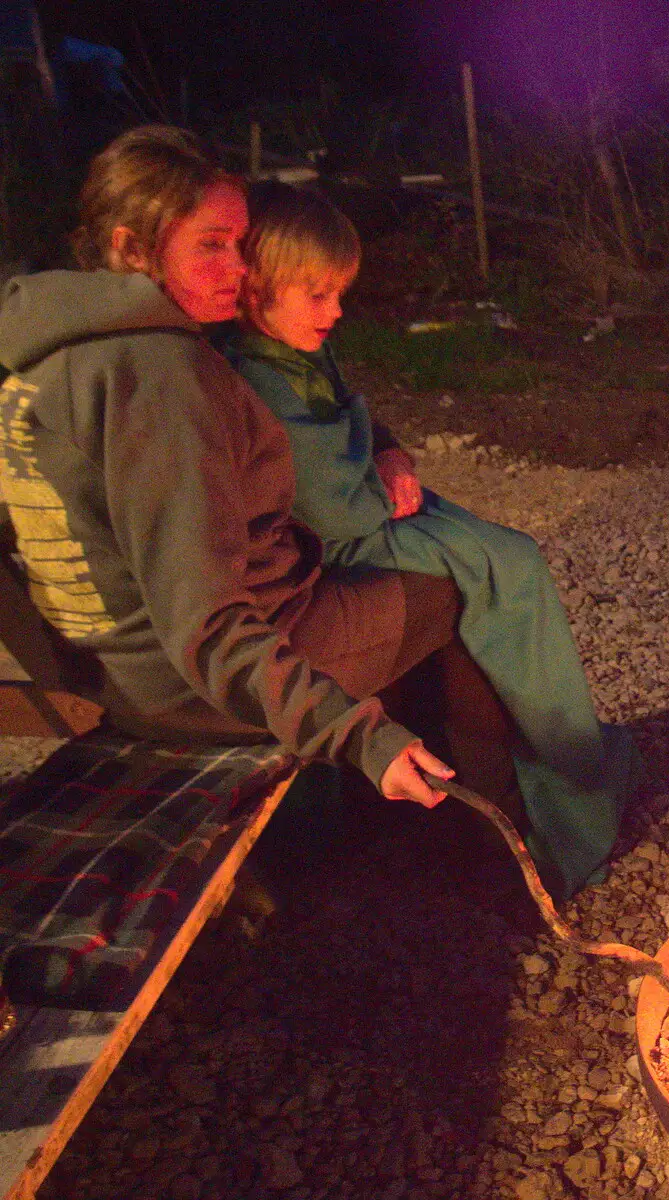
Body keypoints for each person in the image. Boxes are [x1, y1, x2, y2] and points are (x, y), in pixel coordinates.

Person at [0, 126, 564, 890]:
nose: (238, 266)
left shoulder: (32, 350)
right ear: (134, 247)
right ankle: (487, 828)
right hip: (190, 691)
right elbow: (208, 627)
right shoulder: (160, 374)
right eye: (212, 245)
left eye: (240, 244)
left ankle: (373, 816)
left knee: (374, 577)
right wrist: (359, 737)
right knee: (456, 588)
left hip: (108, 669)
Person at [219, 181, 640, 901]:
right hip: (327, 555)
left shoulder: (294, 356)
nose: (337, 311)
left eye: (339, 292)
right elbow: (337, 508)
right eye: (317, 294)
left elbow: (357, 434)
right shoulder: (251, 377)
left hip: (367, 515)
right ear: (257, 285)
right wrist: (375, 470)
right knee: (498, 573)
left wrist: (391, 454)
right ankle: (548, 791)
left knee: (508, 559)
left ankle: (557, 778)